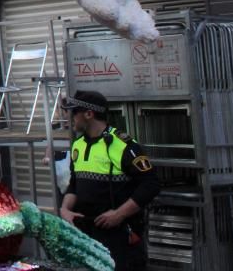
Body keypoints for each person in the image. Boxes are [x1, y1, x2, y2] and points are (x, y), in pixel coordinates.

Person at [59, 91, 160, 271]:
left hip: (119, 237)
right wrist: (65, 209)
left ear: (89, 114)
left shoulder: (122, 145)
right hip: (86, 235)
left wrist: (119, 214)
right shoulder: (78, 145)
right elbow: (74, 184)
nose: (68, 117)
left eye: (73, 112)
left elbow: (150, 184)